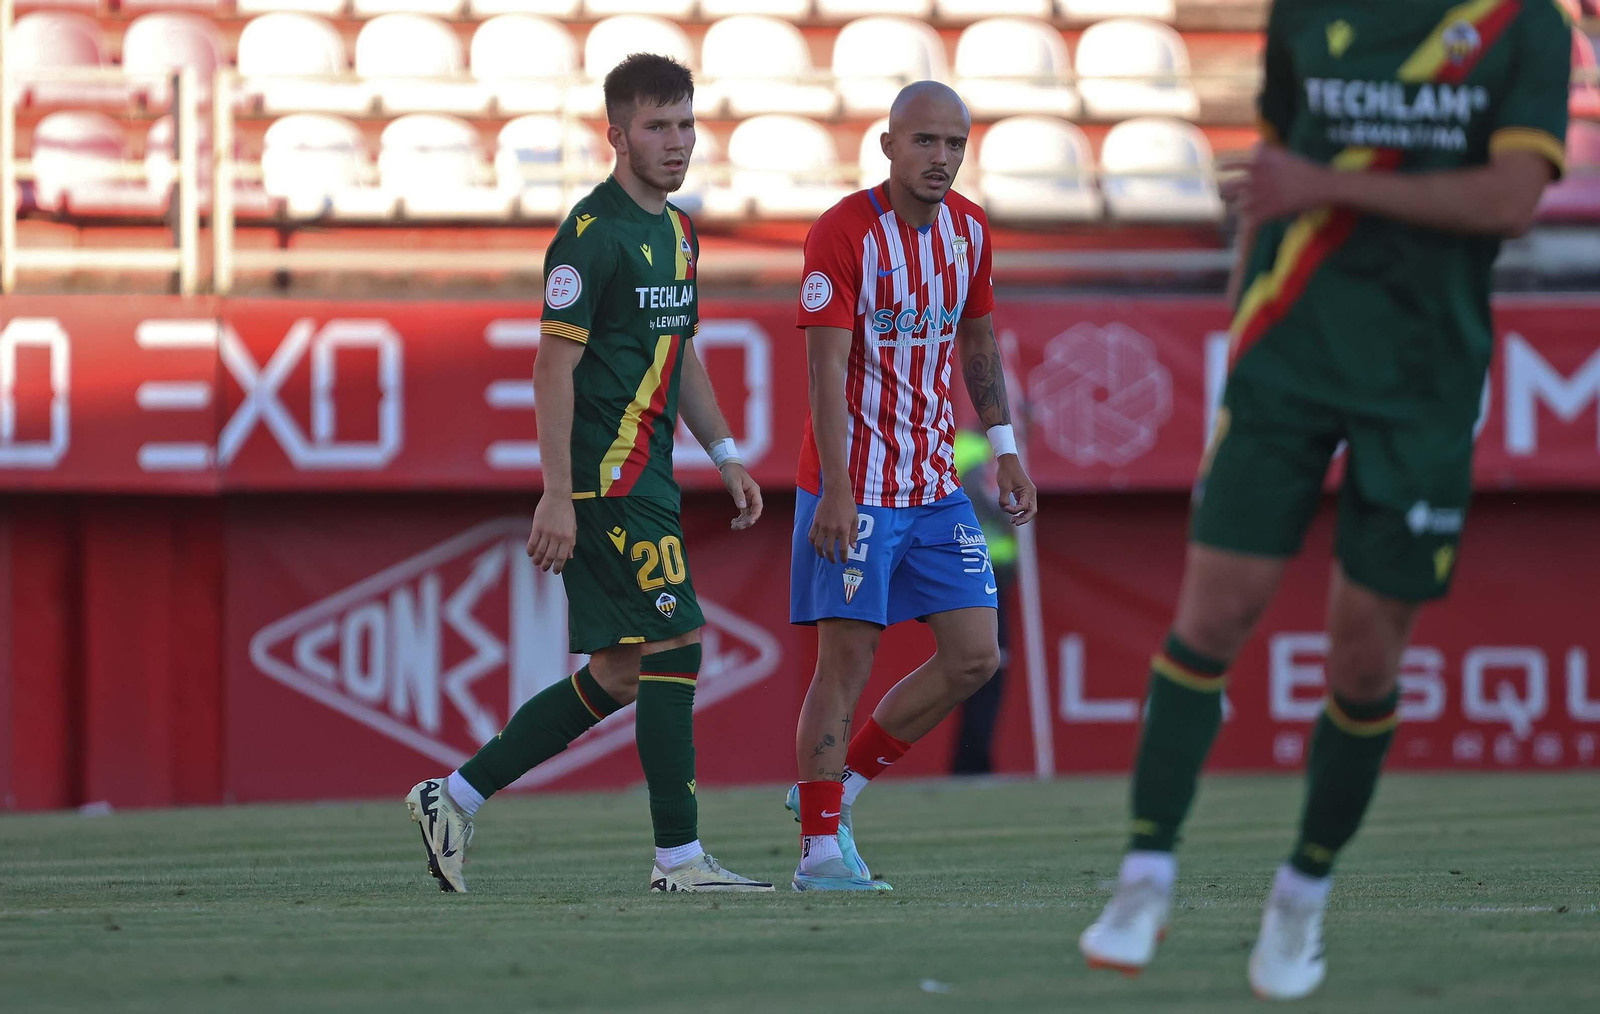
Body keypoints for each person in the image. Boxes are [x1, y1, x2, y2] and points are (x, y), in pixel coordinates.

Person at [1079, 0, 1569, 999]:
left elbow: (1512, 199)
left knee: (1364, 658)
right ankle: (1144, 872)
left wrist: (1328, 183)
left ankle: (1302, 891)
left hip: (1423, 379)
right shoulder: (1302, 10)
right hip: (1285, 353)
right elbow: (1271, 178)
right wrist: (1240, 313)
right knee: (1211, 616)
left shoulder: (1523, 23)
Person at [406, 54, 773, 895]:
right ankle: (679, 860)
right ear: (617, 136)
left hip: (652, 476)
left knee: (620, 671)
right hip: (607, 482)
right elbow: (551, 369)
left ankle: (453, 797)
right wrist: (556, 495)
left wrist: (726, 454)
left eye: (686, 123)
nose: (677, 141)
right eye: (657, 126)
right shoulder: (590, 235)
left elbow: (680, 356)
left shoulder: (680, 232)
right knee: (677, 644)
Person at [784, 81, 1039, 891]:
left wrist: (1004, 448)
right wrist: (835, 488)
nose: (941, 157)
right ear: (889, 146)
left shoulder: (969, 231)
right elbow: (825, 372)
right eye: (925, 141)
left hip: (934, 485)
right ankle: (818, 854)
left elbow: (979, 344)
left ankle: (836, 793)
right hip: (856, 488)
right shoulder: (843, 232)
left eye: (954, 143)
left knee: (976, 657)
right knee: (845, 664)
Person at [947, 428, 1019, 776]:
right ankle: (972, 762)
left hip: (987, 572)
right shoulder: (976, 450)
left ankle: (973, 760)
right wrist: (1011, 517)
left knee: (984, 666)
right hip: (979, 570)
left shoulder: (979, 449)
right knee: (983, 667)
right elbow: (984, 500)